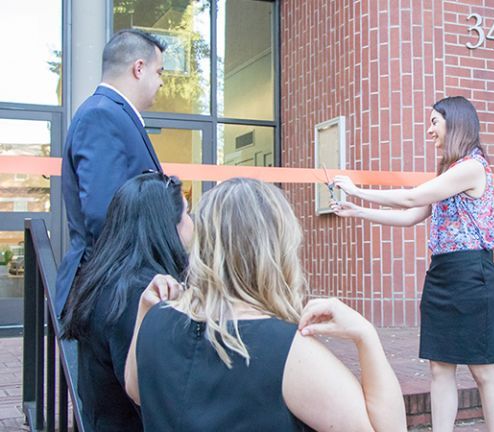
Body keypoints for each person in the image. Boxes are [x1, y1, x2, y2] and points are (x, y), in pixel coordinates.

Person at [124, 178, 407, 432]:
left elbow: (135, 390)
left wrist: (144, 311)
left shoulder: (154, 320)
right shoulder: (289, 351)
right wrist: (365, 336)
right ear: (277, 249)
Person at [331, 96, 494, 432]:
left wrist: (357, 191)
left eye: (434, 122)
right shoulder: (450, 170)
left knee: (482, 368)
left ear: (455, 123)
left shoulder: (472, 166)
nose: (429, 131)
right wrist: (358, 211)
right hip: (441, 273)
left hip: (472, 274)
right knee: (440, 367)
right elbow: (413, 215)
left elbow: (412, 198)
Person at [60, 172, 191, 431]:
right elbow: (156, 401)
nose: (191, 222)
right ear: (166, 226)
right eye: (186, 214)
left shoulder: (108, 280)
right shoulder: (141, 294)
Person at [56, 29, 167, 316]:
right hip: (110, 292)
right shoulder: (102, 115)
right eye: (159, 72)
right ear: (139, 68)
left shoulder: (114, 114)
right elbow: (104, 212)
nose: (161, 82)